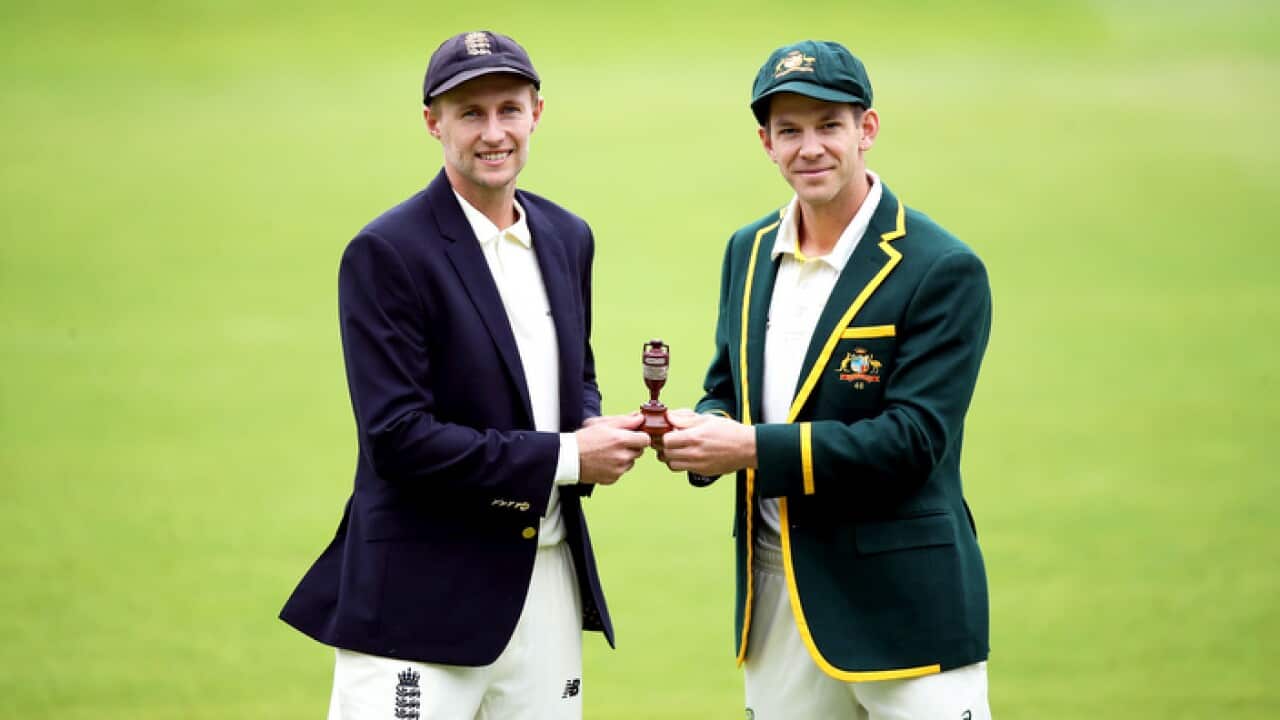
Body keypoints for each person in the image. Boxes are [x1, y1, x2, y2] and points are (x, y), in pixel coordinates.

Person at [280, 30, 650, 720]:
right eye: (470, 114)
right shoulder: (387, 251)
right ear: (433, 123)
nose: (493, 132)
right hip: (420, 595)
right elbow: (398, 439)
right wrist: (572, 456)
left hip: (545, 584)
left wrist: (594, 422)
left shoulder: (568, 236)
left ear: (538, 111)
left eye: (509, 109)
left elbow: (576, 376)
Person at [658, 40, 994, 719]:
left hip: (905, 610)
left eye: (827, 126)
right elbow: (729, 384)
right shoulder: (748, 251)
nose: (809, 147)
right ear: (766, 142)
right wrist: (702, 427)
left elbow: (912, 441)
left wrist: (749, 448)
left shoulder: (941, 267)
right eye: (789, 130)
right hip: (776, 601)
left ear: (866, 129)